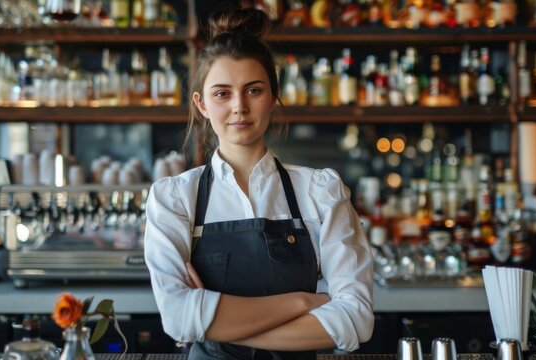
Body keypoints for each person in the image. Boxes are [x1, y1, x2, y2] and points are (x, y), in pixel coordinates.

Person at [144, 6, 374, 359]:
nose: (239, 107)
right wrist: (304, 302)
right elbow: (178, 319)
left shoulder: (320, 191)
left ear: (273, 97)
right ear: (201, 104)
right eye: (222, 93)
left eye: (253, 90)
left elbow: (355, 321)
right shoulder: (175, 198)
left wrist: (215, 322)